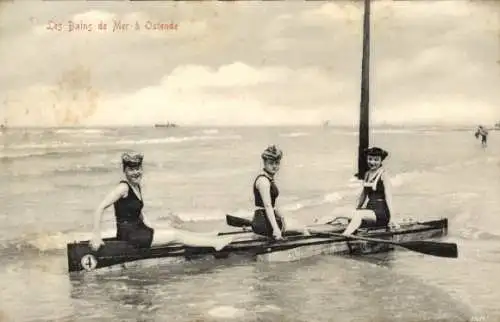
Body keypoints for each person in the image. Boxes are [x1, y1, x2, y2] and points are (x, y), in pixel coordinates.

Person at [89, 152, 233, 251]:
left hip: (139, 231)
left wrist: (159, 225)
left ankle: (206, 238)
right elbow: (100, 208)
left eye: (138, 168)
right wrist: (96, 236)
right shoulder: (123, 187)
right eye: (131, 169)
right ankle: (215, 244)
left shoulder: (136, 186)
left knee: (175, 231)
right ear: (124, 170)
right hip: (131, 236)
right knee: (176, 236)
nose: (135, 172)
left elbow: (138, 214)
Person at [251, 145, 310, 240]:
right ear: (264, 163)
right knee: (302, 229)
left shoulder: (268, 179)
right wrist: (276, 230)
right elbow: (267, 206)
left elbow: (272, 205)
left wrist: (281, 217)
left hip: (263, 220)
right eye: (271, 163)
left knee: (296, 225)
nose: (274, 166)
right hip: (264, 223)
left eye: (277, 163)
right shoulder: (263, 181)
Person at [342, 147, 397, 236]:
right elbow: (363, 194)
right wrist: (356, 208)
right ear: (367, 159)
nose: (372, 162)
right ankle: (312, 232)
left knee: (358, 215)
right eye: (370, 159)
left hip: (382, 213)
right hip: (370, 210)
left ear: (381, 161)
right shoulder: (367, 174)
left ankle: (343, 236)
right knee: (339, 211)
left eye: (376, 160)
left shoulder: (384, 175)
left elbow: (388, 196)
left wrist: (392, 218)